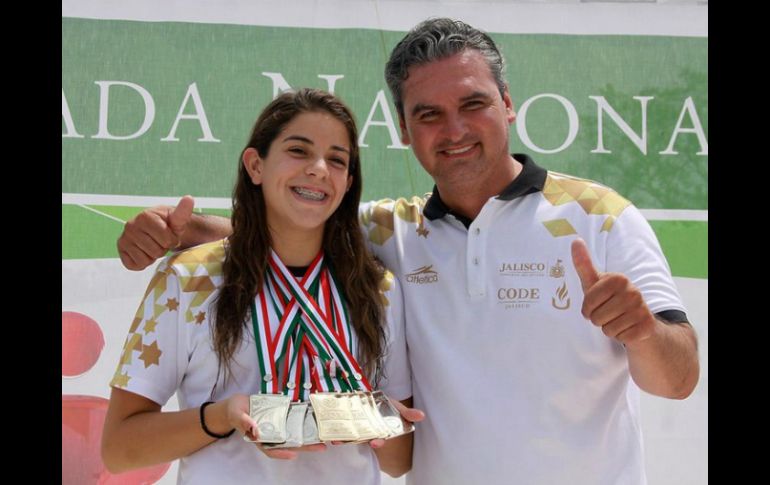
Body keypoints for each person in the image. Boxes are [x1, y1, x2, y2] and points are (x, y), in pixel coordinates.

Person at [116, 18, 700, 485]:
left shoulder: (601, 217)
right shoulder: (392, 230)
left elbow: (678, 380)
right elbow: (291, 223)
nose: (454, 129)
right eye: (429, 114)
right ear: (403, 129)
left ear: (507, 104)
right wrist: (175, 230)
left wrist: (643, 331)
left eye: (473, 104)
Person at [102, 88, 423, 485]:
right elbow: (118, 449)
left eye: (337, 160)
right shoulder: (190, 279)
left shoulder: (377, 289)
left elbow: (397, 461)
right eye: (298, 151)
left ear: (347, 183)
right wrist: (221, 417)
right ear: (255, 165)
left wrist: (372, 418)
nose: (319, 169)